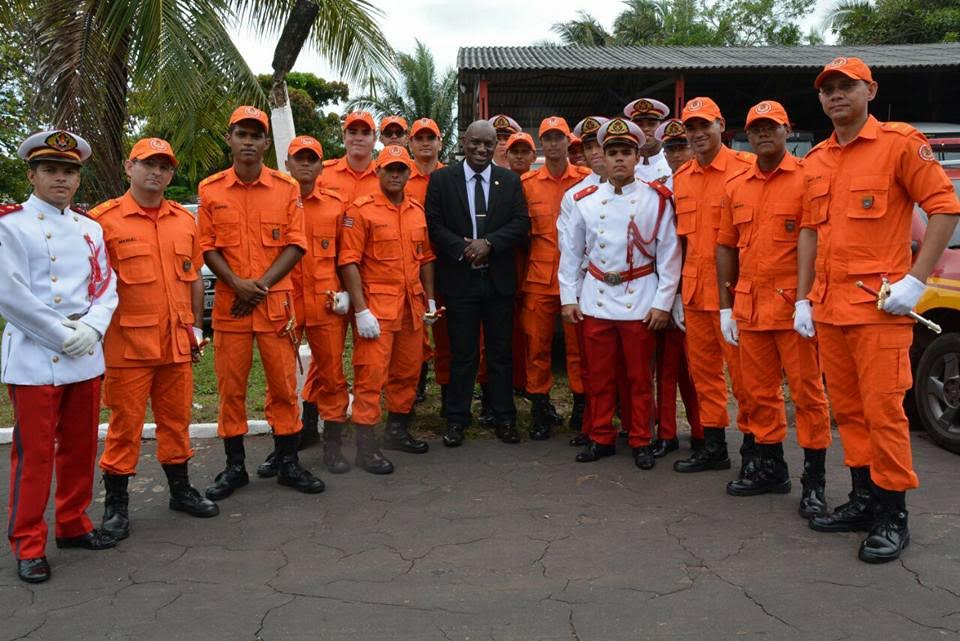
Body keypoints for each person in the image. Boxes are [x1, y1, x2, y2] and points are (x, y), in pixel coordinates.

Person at [798, 57, 960, 563]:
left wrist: (917, 280)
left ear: (870, 90)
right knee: (848, 412)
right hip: (828, 309)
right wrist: (803, 296)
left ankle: (893, 513)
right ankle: (864, 498)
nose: (835, 96)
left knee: (884, 413)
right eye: (827, 90)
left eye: (846, 87)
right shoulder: (818, 158)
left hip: (878, 309)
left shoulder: (898, 144)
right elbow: (809, 232)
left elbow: (944, 207)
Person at [0, 130, 119, 583]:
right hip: (35, 351)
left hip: (84, 349)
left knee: (79, 447)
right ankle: (28, 543)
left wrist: (91, 327)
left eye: (69, 171)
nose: (61, 178)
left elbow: (106, 284)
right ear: (31, 174)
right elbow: (10, 294)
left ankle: (73, 524)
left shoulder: (90, 228)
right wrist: (57, 333)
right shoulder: (10, 224)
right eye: (51, 170)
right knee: (35, 456)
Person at [91, 138, 219, 542]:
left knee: (176, 421)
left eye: (164, 167)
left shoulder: (184, 220)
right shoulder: (102, 221)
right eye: (148, 164)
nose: (156, 172)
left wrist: (197, 327)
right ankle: (116, 506)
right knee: (124, 426)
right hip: (127, 345)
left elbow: (194, 276)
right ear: (129, 167)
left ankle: (180, 491)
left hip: (177, 341)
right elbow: (91, 286)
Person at [198, 106, 324, 500]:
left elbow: (296, 244)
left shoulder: (286, 189)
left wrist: (260, 286)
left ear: (267, 143)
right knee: (230, 389)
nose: (249, 142)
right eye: (242, 134)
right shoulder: (210, 189)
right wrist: (237, 284)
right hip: (230, 306)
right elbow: (207, 247)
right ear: (229, 138)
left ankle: (287, 461)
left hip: (274, 305)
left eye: (256, 136)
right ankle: (234, 466)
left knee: (285, 386)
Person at [715, 101, 832, 516]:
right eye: (756, 129)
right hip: (749, 307)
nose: (764, 134)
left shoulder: (807, 179)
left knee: (808, 395)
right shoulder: (736, 185)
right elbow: (726, 246)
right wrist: (725, 306)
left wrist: (807, 299)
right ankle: (770, 468)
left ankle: (814, 480)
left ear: (788, 130)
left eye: (772, 127)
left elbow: (816, 242)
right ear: (747, 136)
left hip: (793, 308)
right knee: (757, 394)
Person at [559, 118, 682, 470]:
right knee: (599, 377)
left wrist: (662, 304)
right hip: (596, 297)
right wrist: (568, 296)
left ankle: (641, 438)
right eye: (611, 152)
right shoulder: (584, 199)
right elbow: (571, 253)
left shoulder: (656, 199)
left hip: (639, 299)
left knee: (639, 378)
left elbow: (669, 255)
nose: (618, 159)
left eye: (625, 152)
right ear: (602, 156)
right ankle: (601, 436)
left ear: (636, 156)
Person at [425, 120, 531, 446]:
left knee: (500, 355)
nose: (482, 149)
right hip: (460, 282)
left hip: (498, 281)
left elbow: (520, 223)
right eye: (476, 143)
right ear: (464, 142)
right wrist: (464, 248)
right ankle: (457, 419)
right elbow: (434, 223)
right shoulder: (442, 180)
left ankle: (504, 418)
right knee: (463, 355)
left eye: (489, 143)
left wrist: (490, 243)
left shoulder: (509, 181)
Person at [257, 136, 354, 479]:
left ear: (321, 165)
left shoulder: (336, 204)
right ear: (286, 163)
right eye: (299, 159)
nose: (305, 165)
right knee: (281, 378)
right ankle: (282, 446)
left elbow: (347, 255)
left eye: (312, 159)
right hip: (285, 301)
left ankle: (333, 445)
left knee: (332, 377)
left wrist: (347, 292)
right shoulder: (272, 203)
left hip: (326, 302)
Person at [671, 97, 756, 476]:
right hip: (694, 292)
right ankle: (714, 445)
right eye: (691, 127)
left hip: (735, 294)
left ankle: (757, 451)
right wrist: (675, 293)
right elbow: (681, 243)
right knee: (704, 375)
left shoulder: (746, 169)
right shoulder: (682, 178)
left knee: (746, 378)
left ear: (722, 125)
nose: (698, 133)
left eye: (705, 125)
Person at [338, 145, 437, 473]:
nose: (395, 175)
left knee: (408, 372)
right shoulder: (361, 210)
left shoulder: (416, 210)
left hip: (411, 307)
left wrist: (431, 300)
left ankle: (397, 431)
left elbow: (425, 259)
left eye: (401, 169)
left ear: (410, 173)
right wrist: (361, 310)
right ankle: (366, 447)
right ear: (377, 172)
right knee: (371, 376)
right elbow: (349, 262)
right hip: (377, 310)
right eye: (389, 169)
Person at [290, 111, 378, 458]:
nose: (358, 137)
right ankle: (310, 425)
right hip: (329, 285)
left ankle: (358, 430)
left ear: (374, 138)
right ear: (344, 136)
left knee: (365, 359)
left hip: (373, 281)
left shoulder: (385, 174)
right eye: (351, 131)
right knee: (326, 363)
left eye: (364, 132)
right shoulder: (324, 172)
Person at [519, 117, 592, 440]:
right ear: (540, 144)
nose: (552, 143)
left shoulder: (587, 180)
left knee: (579, 348)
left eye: (558, 137)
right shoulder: (528, 184)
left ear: (568, 142)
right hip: (539, 278)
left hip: (578, 280)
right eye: (546, 138)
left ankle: (581, 404)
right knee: (537, 346)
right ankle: (540, 407)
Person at [649, 118, 702, 458]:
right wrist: (668, 294)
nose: (675, 153)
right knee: (666, 368)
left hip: (701, 290)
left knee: (697, 371)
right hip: (667, 288)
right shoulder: (659, 188)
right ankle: (667, 432)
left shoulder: (707, 183)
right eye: (669, 147)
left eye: (680, 145)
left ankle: (703, 433)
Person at [563, 116, 609, 448]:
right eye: (588, 146)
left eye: (600, 145)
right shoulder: (576, 195)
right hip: (590, 289)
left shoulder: (645, 189)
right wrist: (572, 294)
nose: (595, 152)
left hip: (631, 292)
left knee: (630, 367)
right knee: (590, 363)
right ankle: (593, 421)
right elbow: (570, 250)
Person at [406, 118, 446, 406]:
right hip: (410, 267)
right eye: (419, 138)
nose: (425, 143)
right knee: (413, 332)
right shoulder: (398, 175)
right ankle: (413, 386)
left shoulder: (452, 177)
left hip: (446, 264)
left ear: (440, 142)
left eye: (430, 138)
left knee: (446, 332)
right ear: (410, 144)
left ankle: (447, 389)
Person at [624, 98, 672, 183]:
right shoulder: (624, 165)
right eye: (640, 125)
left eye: (651, 124)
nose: (646, 129)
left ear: (661, 127)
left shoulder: (673, 162)